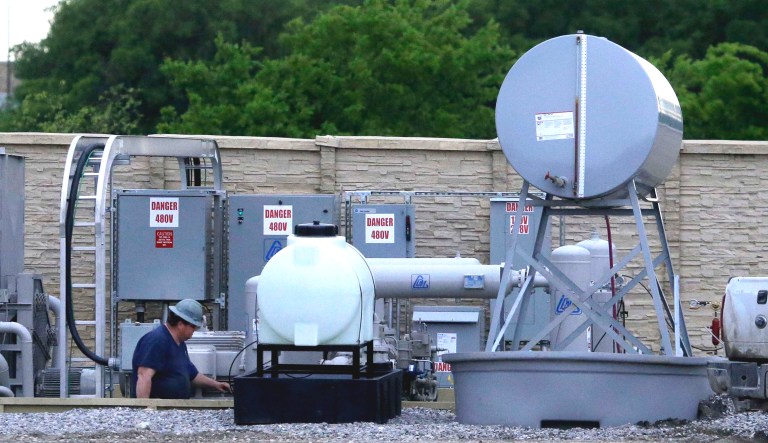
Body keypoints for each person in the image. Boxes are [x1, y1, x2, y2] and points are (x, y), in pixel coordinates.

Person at [131, 299, 231, 399]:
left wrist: (216, 384)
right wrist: (145, 411)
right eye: (193, 326)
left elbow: (192, 375)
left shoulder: (180, 343)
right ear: (180, 324)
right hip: (157, 410)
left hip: (172, 411)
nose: (194, 330)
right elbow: (144, 376)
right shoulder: (157, 340)